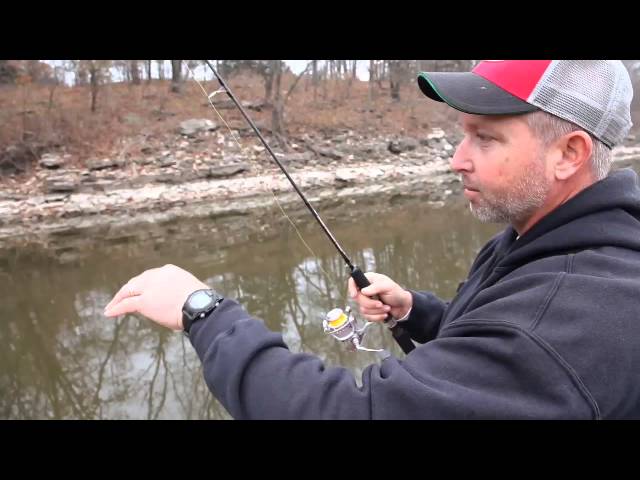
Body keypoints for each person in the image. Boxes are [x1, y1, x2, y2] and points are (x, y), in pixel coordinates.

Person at [104, 60, 640, 419]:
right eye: (463, 133)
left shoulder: (570, 314)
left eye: (486, 137)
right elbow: (498, 330)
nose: (457, 158)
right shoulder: (544, 239)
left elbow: (347, 412)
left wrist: (204, 311)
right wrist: (418, 312)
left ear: (568, 153)